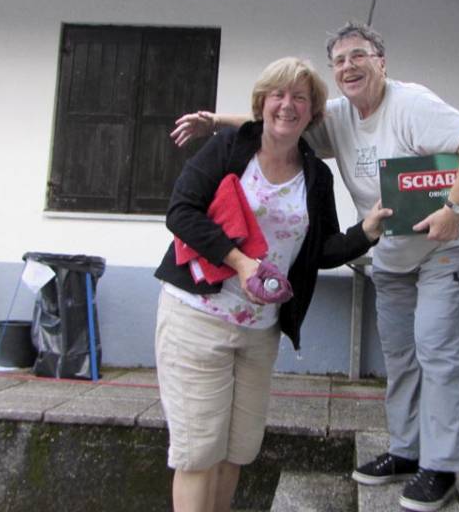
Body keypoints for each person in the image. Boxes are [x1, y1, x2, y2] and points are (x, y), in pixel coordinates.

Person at [172, 22, 459, 512]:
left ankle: (443, 465)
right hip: (395, 248)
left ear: (381, 62)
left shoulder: (411, 105)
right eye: (340, 60)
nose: (349, 66)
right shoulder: (341, 117)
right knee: (400, 353)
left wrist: (455, 209)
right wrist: (216, 122)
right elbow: (281, 120)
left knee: (438, 347)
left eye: (358, 55)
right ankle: (407, 451)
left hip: (449, 243)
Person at [155, 56, 391, 512]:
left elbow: (321, 250)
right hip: (197, 320)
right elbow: (180, 212)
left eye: (300, 97)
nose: (288, 105)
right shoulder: (229, 148)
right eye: (278, 95)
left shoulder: (316, 175)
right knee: (198, 453)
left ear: (313, 112)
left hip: (260, 331)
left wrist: (366, 232)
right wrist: (239, 261)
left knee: (237, 451)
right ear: (261, 103)